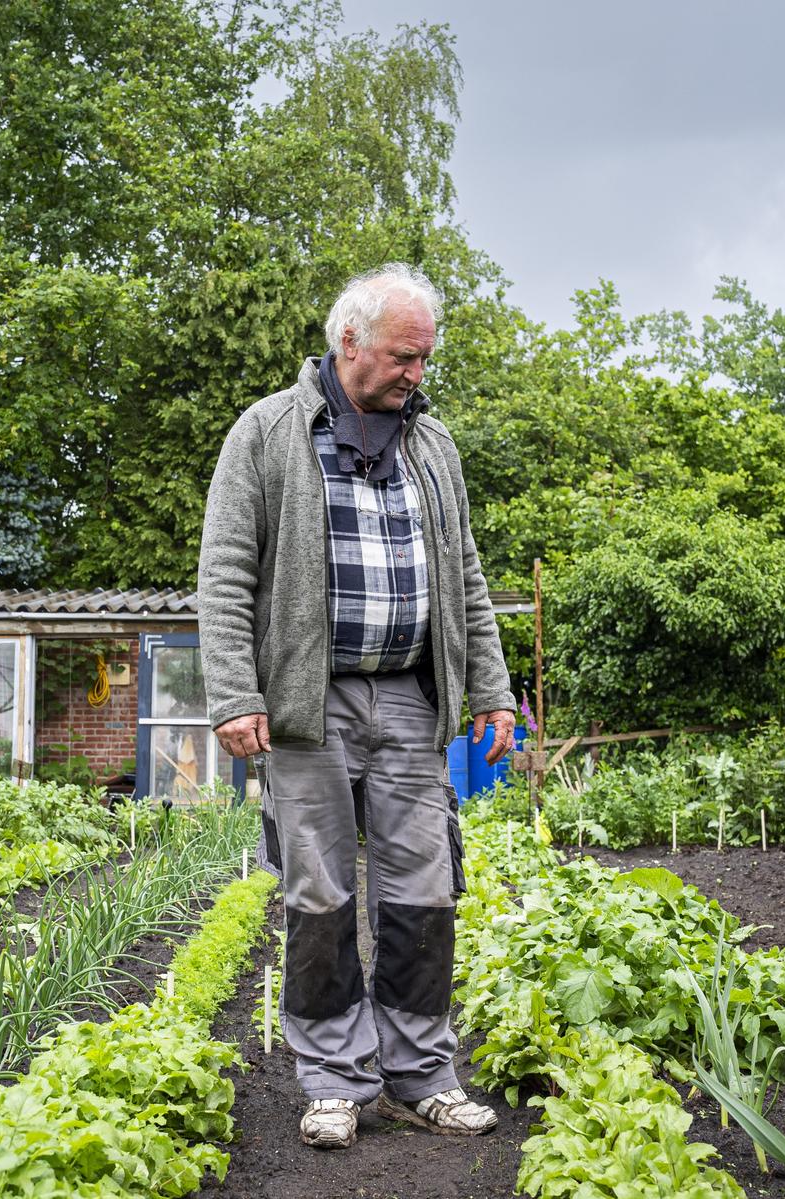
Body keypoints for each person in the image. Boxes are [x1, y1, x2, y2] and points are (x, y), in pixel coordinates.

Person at [197, 263, 517, 1150]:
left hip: (410, 699)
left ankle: (421, 1071)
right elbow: (224, 572)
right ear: (349, 343)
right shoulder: (267, 432)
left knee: (425, 891)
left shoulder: (434, 447)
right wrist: (233, 690)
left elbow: (467, 580)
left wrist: (489, 688)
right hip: (310, 705)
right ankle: (335, 1077)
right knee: (323, 896)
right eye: (403, 355)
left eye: (425, 358)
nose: (417, 371)